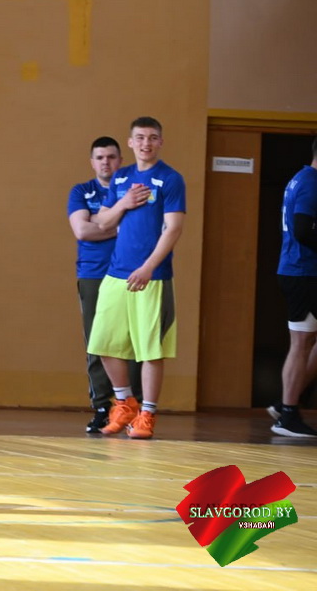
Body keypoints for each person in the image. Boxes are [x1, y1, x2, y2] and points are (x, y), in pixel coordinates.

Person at [88, 117, 185, 440]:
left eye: (152, 137)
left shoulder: (170, 178)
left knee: (150, 350)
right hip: (116, 273)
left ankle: (147, 414)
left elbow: (173, 228)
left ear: (161, 142)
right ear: (130, 142)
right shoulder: (121, 177)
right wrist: (123, 203)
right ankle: (125, 402)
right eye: (140, 138)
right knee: (103, 343)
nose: (146, 143)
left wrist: (148, 267)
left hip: (152, 277)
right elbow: (103, 222)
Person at [67, 137, 141, 433]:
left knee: (133, 342)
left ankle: (132, 407)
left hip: (130, 274)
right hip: (93, 273)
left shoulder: (135, 189)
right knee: (97, 342)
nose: (106, 162)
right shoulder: (82, 191)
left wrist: (102, 222)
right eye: (100, 157)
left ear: (120, 160)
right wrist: (120, 221)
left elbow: (142, 230)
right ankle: (102, 406)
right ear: (92, 162)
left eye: (111, 157)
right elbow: (83, 231)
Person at [271, 137, 317, 438]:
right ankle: (287, 414)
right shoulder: (311, 182)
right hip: (303, 272)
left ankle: (287, 402)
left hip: (300, 270)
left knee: (307, 341)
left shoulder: (300, 178)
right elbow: (302, 229)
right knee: (301, 343)